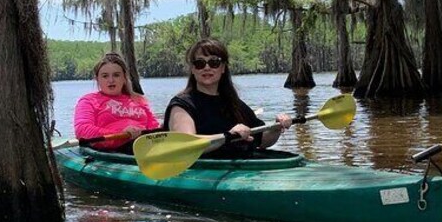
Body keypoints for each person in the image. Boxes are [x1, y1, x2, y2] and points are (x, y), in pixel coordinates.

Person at [163, 38, 293, 158]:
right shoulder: (181, 105)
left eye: (214, 62)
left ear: (223, 67)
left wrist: (276, 128)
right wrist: (226, 136)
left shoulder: (233, 103)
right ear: (193, 69)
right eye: (200, 63)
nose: (207, 67)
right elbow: (186, 146)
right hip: (202, 173)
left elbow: (262, 140)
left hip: (238, 171)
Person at [74, 52, 159, 153]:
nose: (111, 80)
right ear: (97, 79)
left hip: (145, 146)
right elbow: (82, 130)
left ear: (124, 78)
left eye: (116, 75)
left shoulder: (139, 100)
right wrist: (122, 134)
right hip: (113, 151)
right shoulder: (88, 101)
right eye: (105, 76)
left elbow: (154, 127)